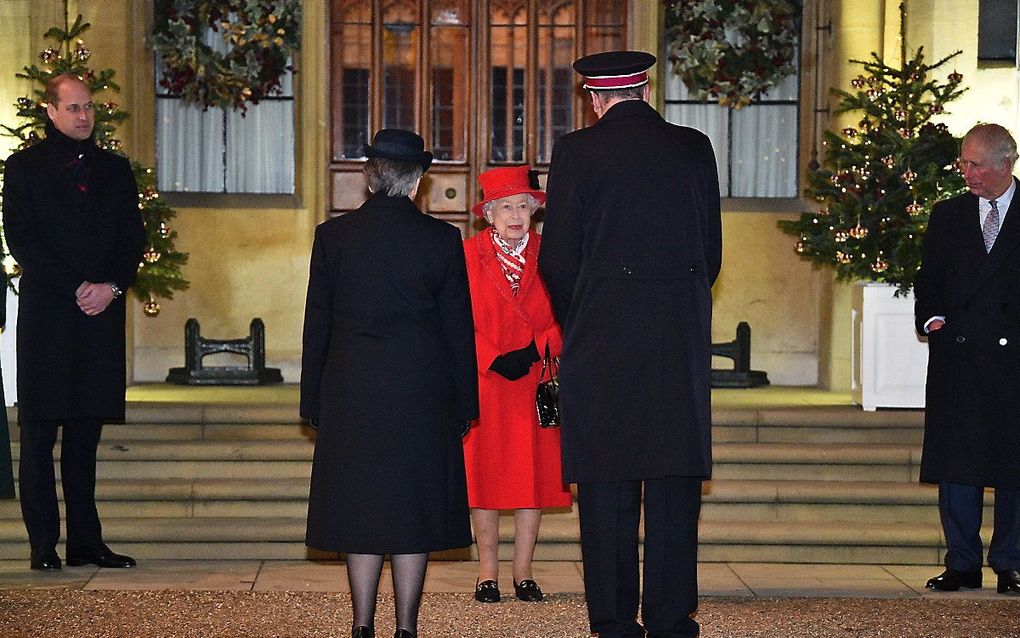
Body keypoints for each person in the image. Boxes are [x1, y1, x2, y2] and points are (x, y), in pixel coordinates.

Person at [538, 51, 722, 638]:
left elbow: (558, 258)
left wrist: (584, 318)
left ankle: (615, 620)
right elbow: (711, 254)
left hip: (603, 338)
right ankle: (671, 617)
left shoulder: (576, 152)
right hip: (676, 338)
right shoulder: (694, 147)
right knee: (672, 484)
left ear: (595, 98)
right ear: (644, 89)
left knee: (607, 484)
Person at [300, 128, 479, 638]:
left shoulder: (332, 237)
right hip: (420, 394)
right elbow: (457, 329)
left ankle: (361, 625)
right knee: (412, 509)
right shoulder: (442, 240)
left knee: (360, 507)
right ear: (418, 180)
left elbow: (318, 325)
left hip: (351, 390)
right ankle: (406, 627)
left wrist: (312, 399)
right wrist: (465, 403)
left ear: (369, 177)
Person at [2, 74, 145, 571]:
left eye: (88, 108)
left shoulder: (115, 169)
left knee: (85, 439)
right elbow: (22, 240)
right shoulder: (23, 169)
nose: (84, 117)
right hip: (48, 318)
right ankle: (43, 544)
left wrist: (110, 287)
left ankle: (87, 542)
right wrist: (74, 288)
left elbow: (132, 240)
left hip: (99, 320)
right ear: (51, 111)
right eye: (73, 108)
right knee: (40, 437)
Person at [914, 122, 1020, 596]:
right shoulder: (949, 214)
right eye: (964, 161)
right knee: (958, 465)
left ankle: (1010, 562)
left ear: (1006, 163)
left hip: (1013, 361)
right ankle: (961, 562)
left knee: (1013, 465)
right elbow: (928, 278)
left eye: (975, 164)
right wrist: (931, 317)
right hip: (958, 357)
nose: (967, 172)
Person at [461, 166, 571, 603]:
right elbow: (452, 319)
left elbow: (571, 314)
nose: (515, 215)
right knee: (485, 478)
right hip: (487, 381)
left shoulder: (552, 254)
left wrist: (535, 349)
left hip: (536, 381)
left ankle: (523, 572)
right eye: (505, 206)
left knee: (533, 477)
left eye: (523, 206)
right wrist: (489, 356)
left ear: (534, 212)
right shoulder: (467, 256)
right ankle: (486, 573)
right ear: (488, 214)